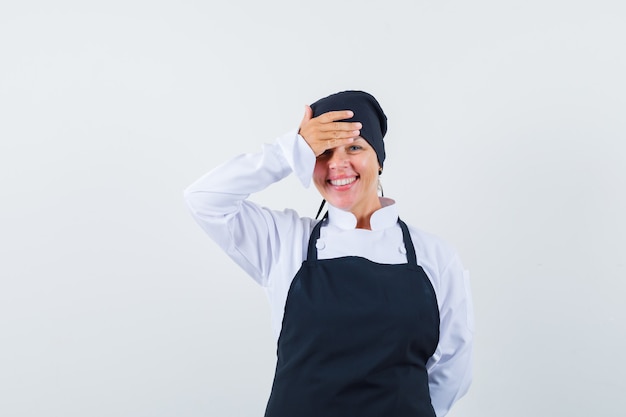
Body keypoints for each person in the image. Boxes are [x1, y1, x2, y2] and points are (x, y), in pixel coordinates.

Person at [184, 90, 474, 417]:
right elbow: (203, 200)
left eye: (354, 147)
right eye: (323, 152)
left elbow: (454, 369)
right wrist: (291, 149)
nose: (337, 164)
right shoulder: (285, 241)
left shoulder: (434, 256)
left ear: (379, 159)